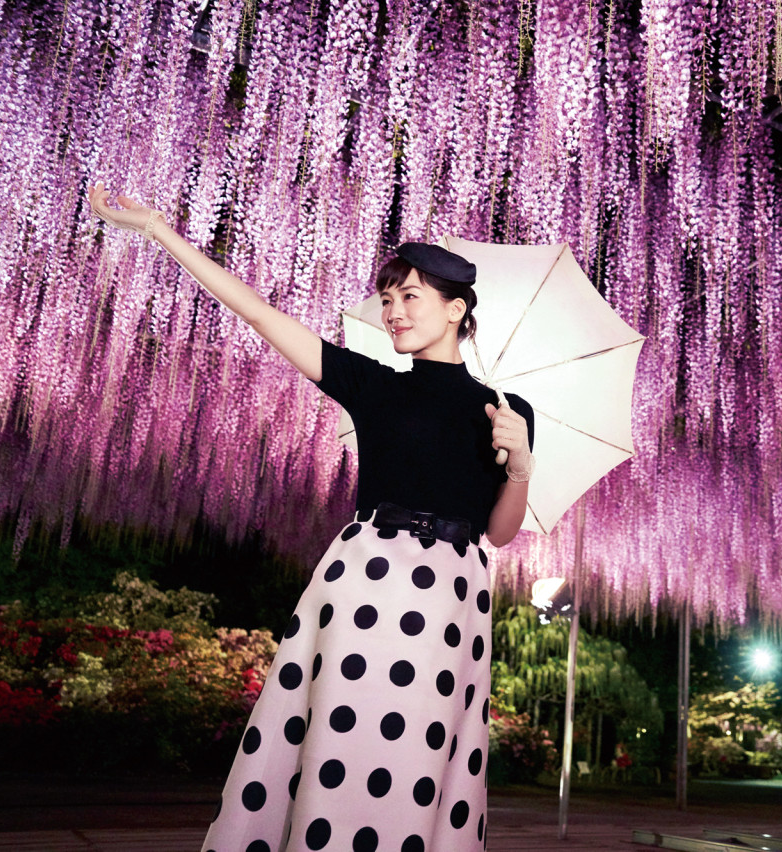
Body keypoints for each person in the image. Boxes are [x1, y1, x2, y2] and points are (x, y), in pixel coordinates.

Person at [88, 182, 535, 852]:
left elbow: (499, 533)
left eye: (410, 297)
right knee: (342, 734)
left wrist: (520, 464)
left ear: (456, 309)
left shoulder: (507, 410)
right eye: (388, 298)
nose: (394, 312)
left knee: (423, 745)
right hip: (368, 578)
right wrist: (159, 230)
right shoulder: (374, 386)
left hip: (453, 595)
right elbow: (260, 315)